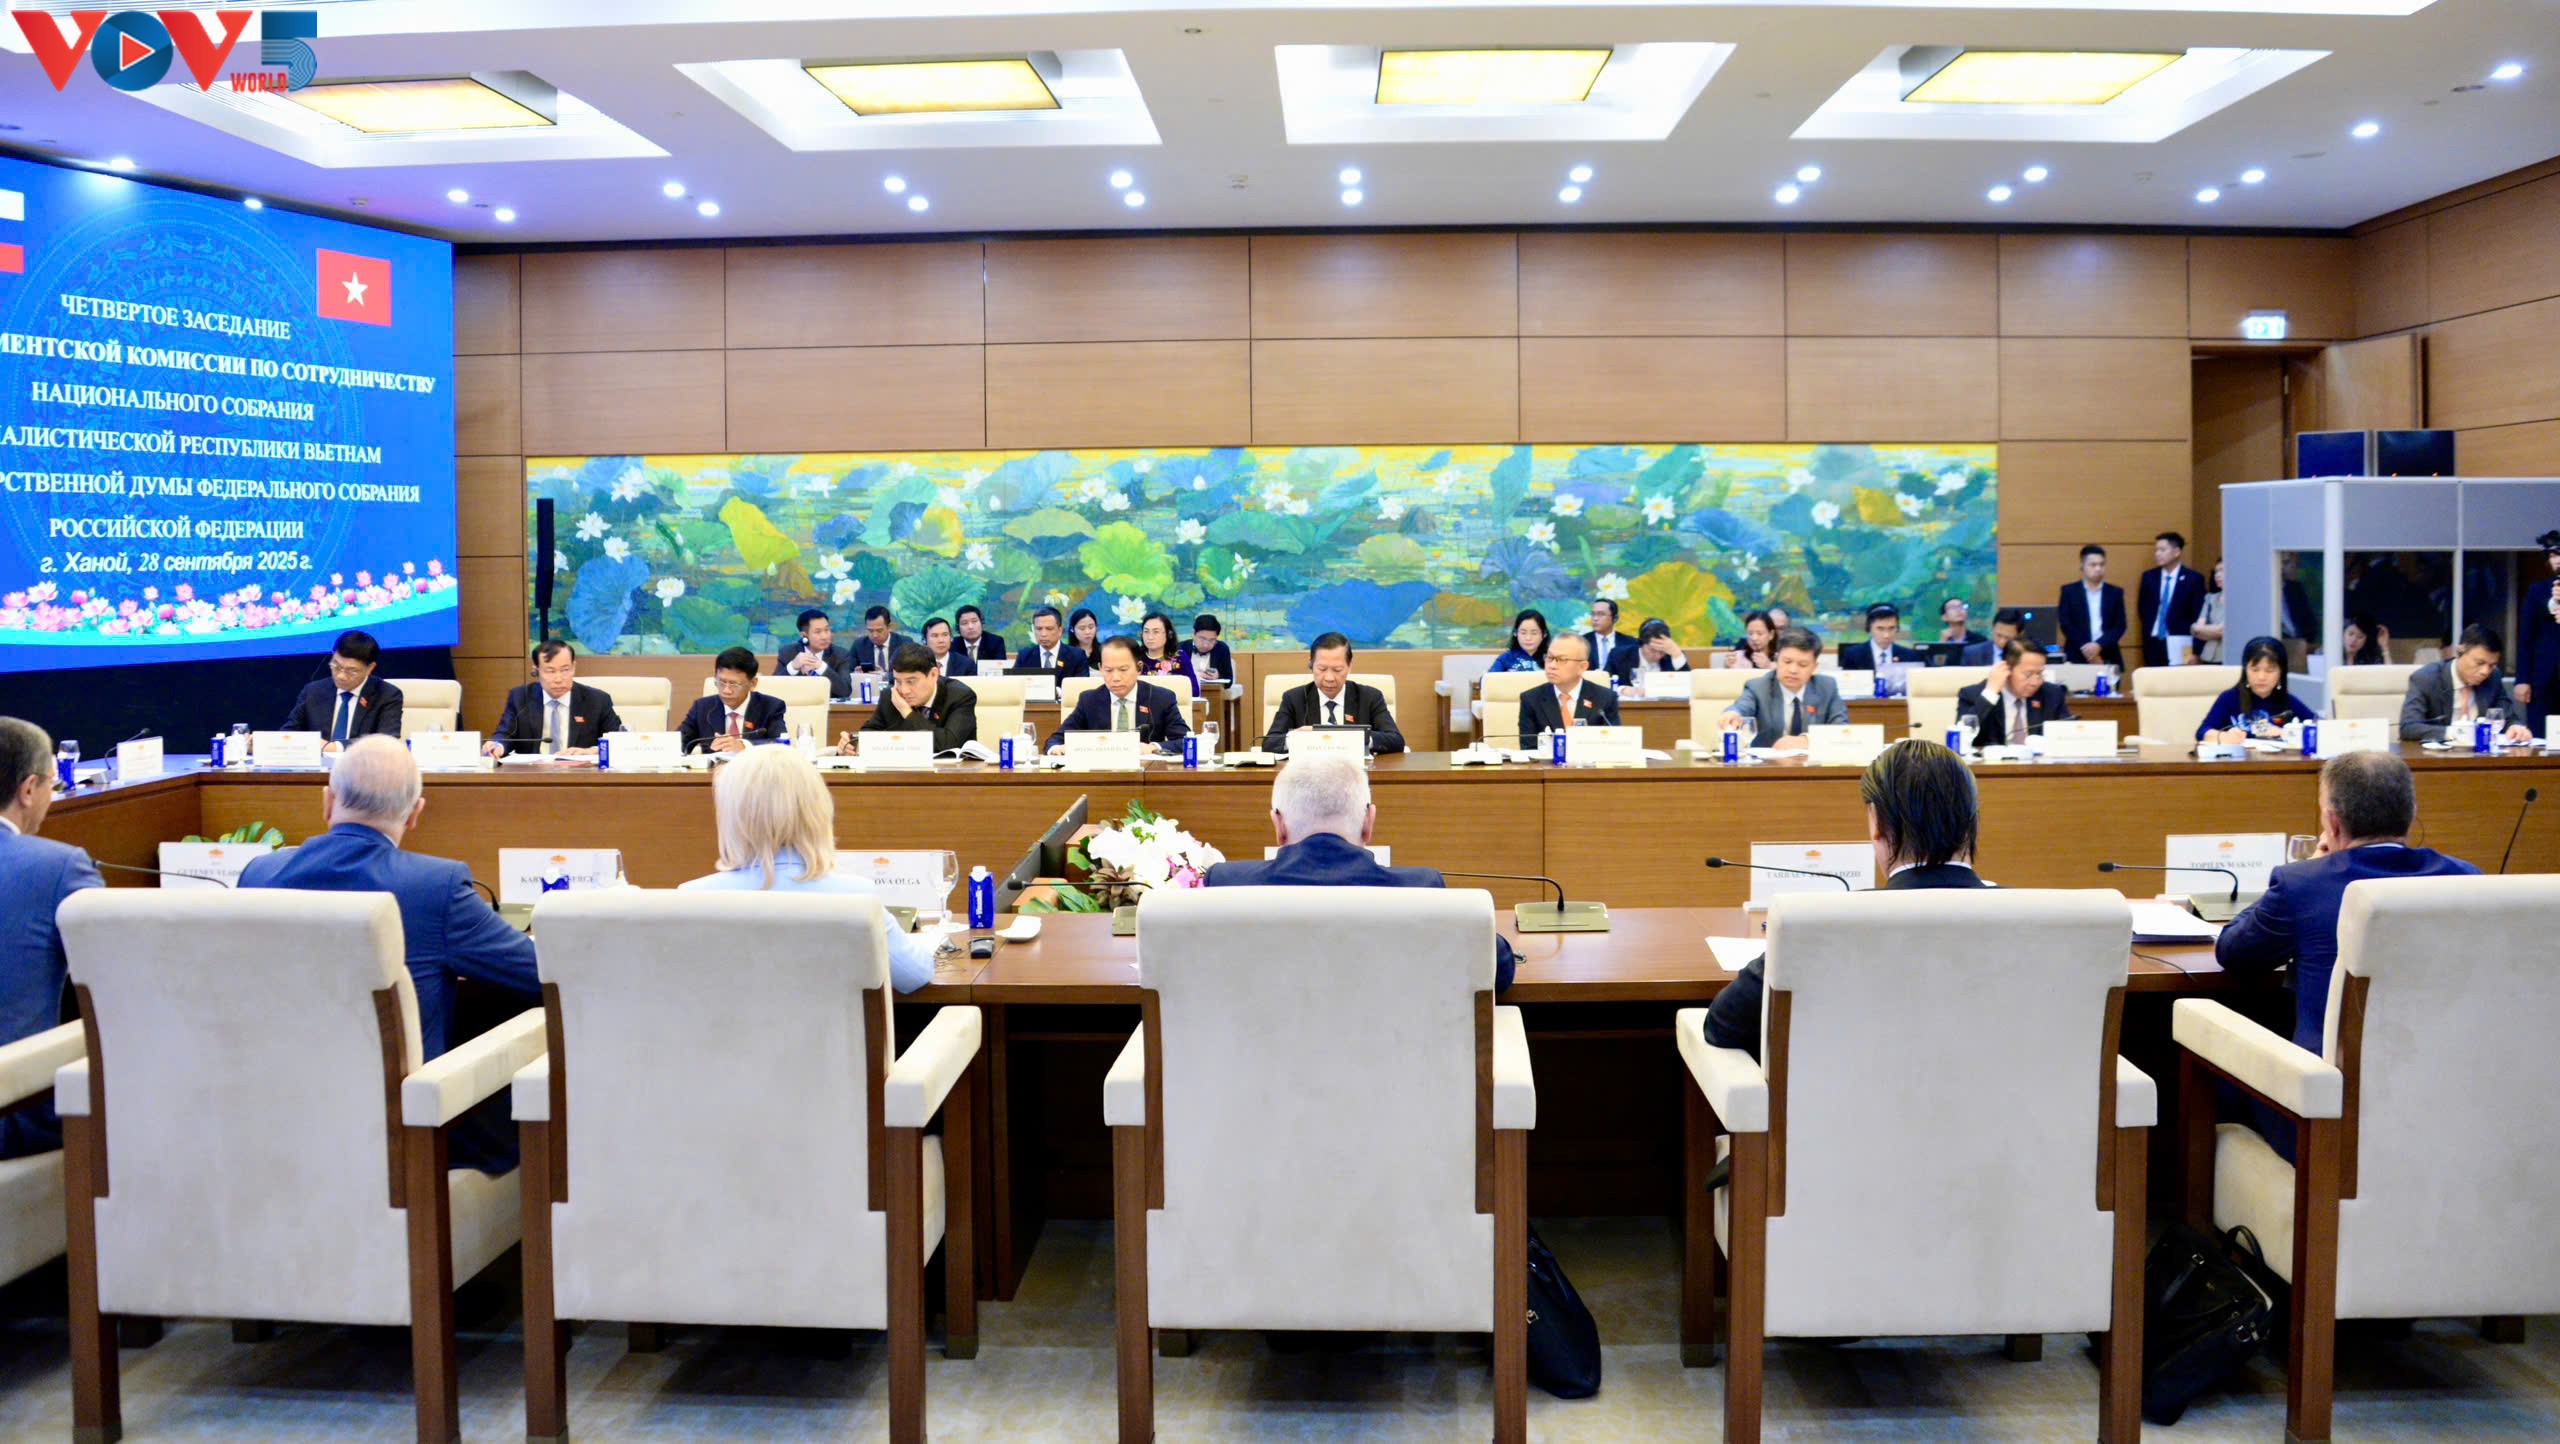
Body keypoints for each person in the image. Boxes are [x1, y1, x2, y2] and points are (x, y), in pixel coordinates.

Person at [240, 737, 539, 1171]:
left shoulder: (258, 875)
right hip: (402, 1136)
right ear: (416, 813)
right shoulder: (436, 886)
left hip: (277, 1126)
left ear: (327, 802)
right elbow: (542, 973)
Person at [2216, 751, 2477, 1155]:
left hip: (2325, 1120)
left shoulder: (2303, 883)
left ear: (2333, 823)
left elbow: (2234, 953)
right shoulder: (2466, 879)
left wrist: (2311, 866)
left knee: (2215, 1067)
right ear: (2410, 815)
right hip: (2440, 1111)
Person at [1703, 740, 1988, 1060]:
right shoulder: (2035, 920)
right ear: (1974, 823)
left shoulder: (1822, 925)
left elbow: (1723, 1025)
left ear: (1878, 826)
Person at [1205, 752, 1512, 992]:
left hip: (1259, 1053)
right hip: (1390, 1053)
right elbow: (1498, 970)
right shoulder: (1419, 888)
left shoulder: (1227, 885)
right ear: (1368, 822)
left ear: (1278, 825)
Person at [679, 744, 936, 994]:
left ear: (730, 814)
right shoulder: (855, 897)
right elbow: (915, 975)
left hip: (726, 1025)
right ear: (817, 809)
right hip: (831, 1026)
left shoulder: (690, 899)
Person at [0, 717, 99, 1159]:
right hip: (14, 1113)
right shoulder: (57, 867)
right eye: (52, 786)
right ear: (28, 789)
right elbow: (123, 970)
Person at [1263, 632, 1405, 753]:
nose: (1329, 678)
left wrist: (1356, 737)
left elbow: (1396, 741)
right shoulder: (1294, 698)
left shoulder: (1370, 697)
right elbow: (1269, 744)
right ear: (1311, 664)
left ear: (1349, 666)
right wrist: (1297, 738)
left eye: (1337, 670)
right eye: (1322, 669)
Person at [484, 640, 624, 757]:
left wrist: (592, 751)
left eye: (565, 670)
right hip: (533, 775)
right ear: (536, 670)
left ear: (573, 667)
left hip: (580, 775)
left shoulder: (597, 700)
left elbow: (620, 740)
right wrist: (497, 746)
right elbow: (505, 734)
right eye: (550, 671)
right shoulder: (520, 697)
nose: (558, 679)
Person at [1048, 636, 1188, 753]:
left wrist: (1153, 747)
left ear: (1139, 668)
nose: (1115, 677)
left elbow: (1186, 741)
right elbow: (1055, 740)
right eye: (1108, 670)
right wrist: (1056, 749)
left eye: (1123, 669)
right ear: (1100, 669)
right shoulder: (1089, 700)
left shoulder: (1161, 698)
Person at [1717, 626, 1847, 751]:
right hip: (1768, 765)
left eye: (1802, 664)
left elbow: (1841, 730)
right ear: (1776, 659)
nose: (1793, 670)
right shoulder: (1759, 687)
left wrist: (1806, 740)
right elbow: (1741, 707)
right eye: (1787, 662)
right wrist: (1733, 714)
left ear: (1814, 667)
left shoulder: (1827, 687)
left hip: (1813, 764)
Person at [2399, 623, 2533, 743]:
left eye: (2491, 665)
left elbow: (2508, 717)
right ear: (2460, 652)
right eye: (2480, 663)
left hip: (2481, 756)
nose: (2485, 672)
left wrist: (2516, 727)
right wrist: (2457, 733)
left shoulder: (2493, 677)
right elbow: (2408, 727)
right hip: (2438, 756)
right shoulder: (2426, 678)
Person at [282, 630, 405, 748]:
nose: (341, 676)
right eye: (336, 666)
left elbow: (387, 741)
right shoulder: (313, 691)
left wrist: (336, 746)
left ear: (370, 668)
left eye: (352, 671)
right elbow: (288, 733)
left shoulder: (387, 695)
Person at [850, 643, 979, 755]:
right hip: (903, 772)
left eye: (911, 681)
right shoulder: (891, 695)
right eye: (898, 681)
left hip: (952, 773)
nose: (904, 690)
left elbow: (948, 745)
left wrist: (907, 713)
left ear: (933, 675)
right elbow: (871, 731)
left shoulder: (960, 696)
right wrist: (854, 744)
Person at [1955, 638, 2076, 744]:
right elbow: (1961, 738)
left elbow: (2068, 736)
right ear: (2007, 669)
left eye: (2039, 674)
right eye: (2028, 675)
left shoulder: (2052, 695)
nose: (2035, 682)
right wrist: (1990, 693)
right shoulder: (1974, 695)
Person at [2197, 637, 2315, 742]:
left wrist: (2283, 733)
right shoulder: (2229, 698)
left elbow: (2319, 728)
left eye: (2269, 671)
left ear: (2281, 673)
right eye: (2255, 670)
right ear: (2245, 670)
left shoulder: (2288, 703)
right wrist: (2224, 736)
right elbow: (2202, 732)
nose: (2261, 677)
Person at [1515, 634, 1621, 746]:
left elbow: (1612, 746)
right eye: (1549, 658)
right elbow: (1528, 748)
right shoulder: (1531, 699)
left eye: (1562, 659)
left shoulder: (1605, 698)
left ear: (1582, 667)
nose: (1552, 665)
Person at [679, 646, 788, 753]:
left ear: (753, 683)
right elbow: (677, 743)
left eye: (734, 684)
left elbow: (782, 745)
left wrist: (745, 746)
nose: (726, 690)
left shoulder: (771, 707)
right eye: (721, 682)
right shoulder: (702, 708)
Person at [2139, 531, 2205, 668]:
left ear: (2176, 552)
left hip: (2180, 641)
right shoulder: (2149, 577)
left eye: (2162, 550)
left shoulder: (2194, 579)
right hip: (2153, 641)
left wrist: (2197, 651)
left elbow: (2198, 615)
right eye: (2156, 550)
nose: (2157, 554)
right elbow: (2143, 609)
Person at [2056, 545, 2127, 670]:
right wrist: (2087, 648)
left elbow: (2120, 625)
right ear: (2082, 566)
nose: (2098, 568)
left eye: (2101, 564)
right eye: (2093, 565)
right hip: (2077, 654)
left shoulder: (2115, 592)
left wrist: (2098, 645)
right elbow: (2066, 623)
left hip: (2107, 653)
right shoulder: (2069, 591)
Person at [2519, 529, 2560, 732]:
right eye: (2552, 555)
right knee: (2539, 737)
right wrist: (2522, 679)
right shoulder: (2538, 590)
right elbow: (2526, 637)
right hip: (2543, 678)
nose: (2556, 560)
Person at [776, 608, 854, 699]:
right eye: (818, 632)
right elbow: (773, 688)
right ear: (804, 635)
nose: (824, 636)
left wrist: (821, 667)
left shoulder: (840, 654)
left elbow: (845, 691)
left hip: (828, 707)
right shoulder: (788, 653)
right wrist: (792, 667)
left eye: (827, 630)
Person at [1837, 603, 1919, 672]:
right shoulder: (1853, 655)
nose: (1886, 635)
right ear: (1869, 629)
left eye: (1891, 628)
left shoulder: (1910, 656)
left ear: (1897, 628)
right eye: (1880, 629)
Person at [1013, 605, 1090, 679]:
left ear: (1060, 631)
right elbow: (1014, 683)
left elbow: (1081, 685)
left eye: (1049, 629)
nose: (1043, 634)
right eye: (1039, 629)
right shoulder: (1024, 656)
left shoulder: (1077, 656)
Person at [1580, 598, 1639, 685]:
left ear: (1615, 618)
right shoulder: (1581, 642)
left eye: (1601, 614)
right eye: (1593, 614)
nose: (1595, 618)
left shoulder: (1630, 643)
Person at [1137, 612, 1196, 686]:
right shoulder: (1135, 657)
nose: (1150, 637)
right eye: (1146, 631)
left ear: (1168, 634)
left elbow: (1194, 688)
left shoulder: (1179, 657)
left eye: (1156, 632)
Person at [848, 605, 910, 674]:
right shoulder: (859, 645)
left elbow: (910, 672)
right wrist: (856, 674)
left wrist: (884, 676)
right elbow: (849, 671)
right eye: (870, 631)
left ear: (889, 627)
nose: (875, 635)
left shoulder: (904, 644)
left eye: (879, 631)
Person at [1489, 609, 1551, 673]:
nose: (1528, 638)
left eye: (1534, 633)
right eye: (1523, 633)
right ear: (1515, 633)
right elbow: (1489, 678)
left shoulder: (1551, 658)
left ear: (1544, 634)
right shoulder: (1506, 658)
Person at [2191, 558, 2228, 664]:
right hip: (2207, 656)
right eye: (2216, 571)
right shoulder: (2210, 598)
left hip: (2227, 655)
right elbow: (2196, 630)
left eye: (2222, 570)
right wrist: (2213, 630)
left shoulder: (2239, 599)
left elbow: (2222, 630)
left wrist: (2203, 630)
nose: (2217, 575)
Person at [1186, 615, 1234, 684]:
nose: (1206, 645)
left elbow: (1229, 680)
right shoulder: (1180, 648)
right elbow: (1172, 676)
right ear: (1193, 633)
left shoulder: (1222, 649)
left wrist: (1218, 676)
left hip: (1212, 690)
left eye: (1212, 640)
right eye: (1202, 639)